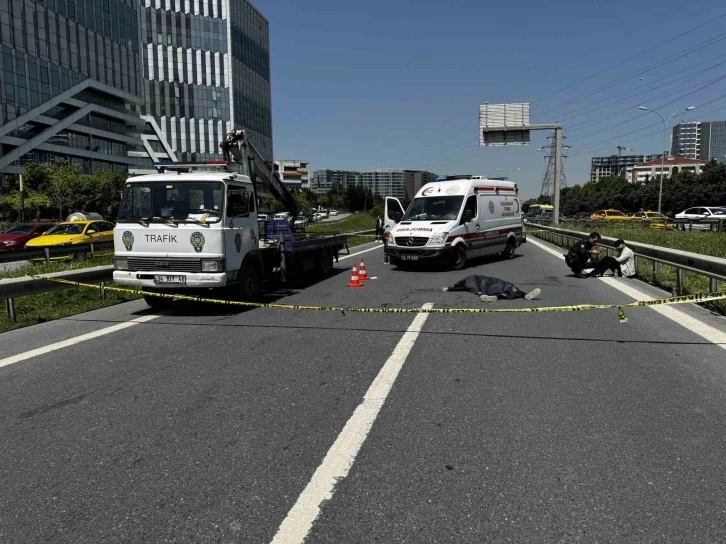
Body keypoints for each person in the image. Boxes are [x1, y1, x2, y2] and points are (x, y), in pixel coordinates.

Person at [442, 274, 541, 302]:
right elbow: (462, 286)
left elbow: (461, 286)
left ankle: (489, 296)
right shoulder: (471, 280)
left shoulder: (470, 280)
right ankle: (525, 295)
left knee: (505, 287)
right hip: (489, 283)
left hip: (487, 284)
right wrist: (451, 288)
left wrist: (450, 288)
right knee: (507, 287)